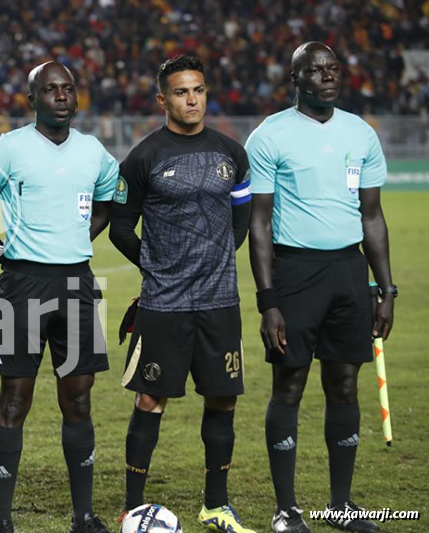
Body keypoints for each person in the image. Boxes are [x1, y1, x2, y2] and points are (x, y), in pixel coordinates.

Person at [0, 61, 117, 533]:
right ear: (32, 99)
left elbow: (109, 201)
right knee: (14, 400)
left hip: (76, 284)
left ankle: (83, 516)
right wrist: (1, 254)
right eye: (50, 90)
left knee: (79, 400)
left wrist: (79, 239)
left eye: (68, 88)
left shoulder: (93, 151)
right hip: (23, 286)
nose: (61, 96)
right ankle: (2, 519)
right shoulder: (10, 148)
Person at [247, 42, 394, 533]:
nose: (328, 76)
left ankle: (340, 506)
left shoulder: (361, 133)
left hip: (349, 274)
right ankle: (286, 510)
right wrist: (269, 302)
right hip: (294, 273)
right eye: (316, 69)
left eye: (334, 68)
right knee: (289, 385)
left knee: (346, 385)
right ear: (296, 77)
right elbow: (259, 223)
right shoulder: (270, 135)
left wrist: (386, 290)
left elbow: (372, 216)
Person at [108, 55, 256, 533]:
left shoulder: (232, 153)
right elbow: (120, 227)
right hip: (164, 304)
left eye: (198, 90)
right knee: (150, 402)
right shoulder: (143, 157)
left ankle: (217, 505)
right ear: (162, 100)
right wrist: (156, 264)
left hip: (219, 302)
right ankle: (133, 507)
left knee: (223, 400)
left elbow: (242, 214)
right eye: (180, 92)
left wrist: (218, 255)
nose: (191, 99)